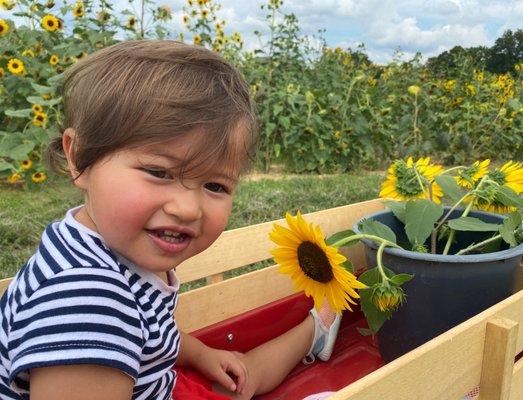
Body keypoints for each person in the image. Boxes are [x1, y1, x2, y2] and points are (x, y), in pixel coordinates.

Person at [0, 40, 341, 400]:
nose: (187, 208)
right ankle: (319, 326)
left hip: (153, 382)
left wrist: (200, 353)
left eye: (214, 185)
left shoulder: (99, 245)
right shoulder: (84, 302)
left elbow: (150, 329)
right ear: (80, 157)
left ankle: (317, 328)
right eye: (159, 173)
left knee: (239, 378)